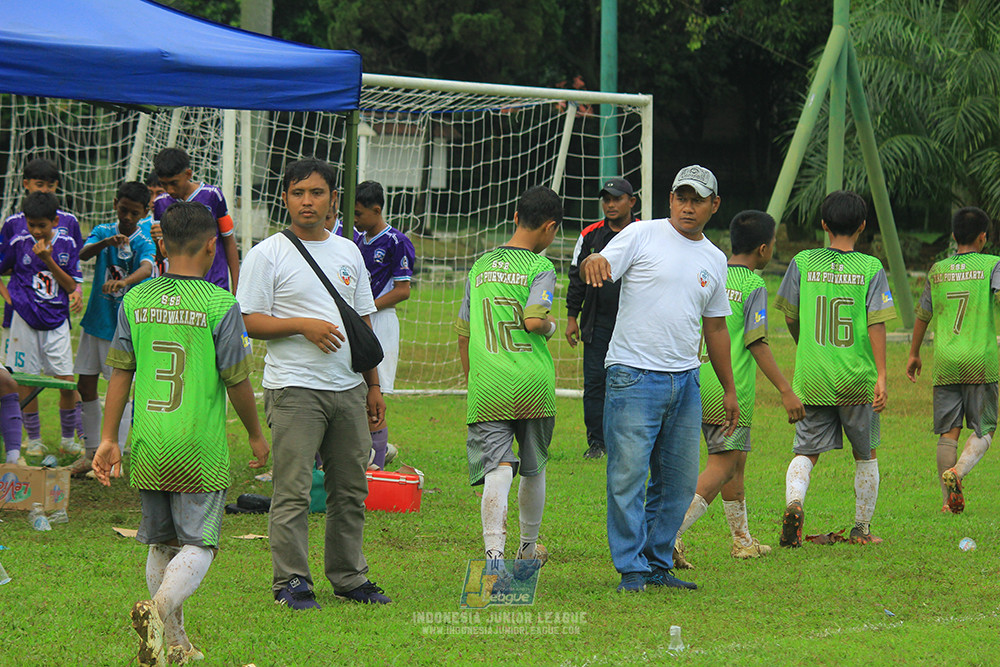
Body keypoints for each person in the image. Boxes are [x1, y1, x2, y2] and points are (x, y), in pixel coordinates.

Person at [92, 201, 269, 667]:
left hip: (147, 443)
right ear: (213, 246)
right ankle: (158, 610)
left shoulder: (136, 299)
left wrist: (109, 438)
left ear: (163, 245)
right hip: (198, 447)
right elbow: (237, 379)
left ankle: (175, 643)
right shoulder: (219, 304)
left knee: (161, 543)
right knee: (200, 543)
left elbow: (119, 374)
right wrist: (255, 433)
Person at [237, 158, 391, 608]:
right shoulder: (268, 254)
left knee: (351, 489)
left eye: (317, 193)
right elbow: (249, 320)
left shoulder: (347, 252)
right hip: (294, 389)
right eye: (299, 193)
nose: (308, 201)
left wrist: (373, 385)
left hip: (348, 389)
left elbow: (363, 322)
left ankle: (349, 577)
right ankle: (291, 583)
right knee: (294, 490)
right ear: (285, 198)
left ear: (332, 200)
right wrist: (302, 325)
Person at [580, 164, 737, 593]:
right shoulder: (641, 234)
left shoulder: (715, 258)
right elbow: (600, 262)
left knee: (679, 481)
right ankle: (631, 568)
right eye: (681, 198)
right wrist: (593, 260)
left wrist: (728, 388)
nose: (688, 207)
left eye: (697, 200)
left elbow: (717, 328)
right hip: (633, 375)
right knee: (628, 477)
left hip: (685, 381)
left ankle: (657, 562)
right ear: (670, 199)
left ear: (713, 205)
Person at [672, 210, 804, 568]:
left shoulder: (708, 273)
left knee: (736, 462)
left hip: (693, 379)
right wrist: (785, 389)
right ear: (764, 249)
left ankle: (742, 540)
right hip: (728, 389)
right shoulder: (753, 286)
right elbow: (757, 342)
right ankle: (669, 535)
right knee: (723, 463)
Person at [774, 190, 895, 547]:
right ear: (862, 226)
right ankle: (861, 529)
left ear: (823, 225)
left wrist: (805, 344)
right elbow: (876, 324)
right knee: (866, 453)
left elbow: (791, 316)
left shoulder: (803, 262)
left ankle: (794, 503)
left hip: (812, 376)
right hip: (856, 378)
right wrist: (883, 376)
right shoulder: (870, 268)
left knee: (805, 452)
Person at [456, 185, 562, 586]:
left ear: (516, 218)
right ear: (550, 228)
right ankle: (528, 550)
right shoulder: (541, 267)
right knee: (533, 468)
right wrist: (550, 326)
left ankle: (494, 561)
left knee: (498, 471)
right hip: (532, 381)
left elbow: (464, 333)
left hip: (489, 383)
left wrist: (474, 380)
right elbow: (535, 320)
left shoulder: (480, 266)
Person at [906, 206, 1000, 514]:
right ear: (983, 237)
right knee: (985, 428)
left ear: (953, 236)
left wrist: (914, 352)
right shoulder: (992, 265)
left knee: (949, 431)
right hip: (980, 360)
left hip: (945, 361)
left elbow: (923, 314)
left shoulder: (937, 270)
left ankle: (948, 504)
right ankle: (957, 472)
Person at [69, 182, 156, 477]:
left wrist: (125, 281)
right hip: (95, 321)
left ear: (145, 212)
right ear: (116, 203)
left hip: (119, 327)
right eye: (123, 210)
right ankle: (91, 452)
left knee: (118, 390)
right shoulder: (104, 232)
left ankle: (113, 455)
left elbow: (147, 268)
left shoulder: (144, 240)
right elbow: (81, 254)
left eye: (134, 212)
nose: (128, 217)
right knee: (85, 385)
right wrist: (105, 245)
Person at [0, 158, 84, 445]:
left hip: (57, 318)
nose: (36, 230)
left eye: (51, 185)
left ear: (55, 222)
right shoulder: (14, 231)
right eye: (39, 184)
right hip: (22, 319)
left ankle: (68, 439)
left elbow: (74, 278)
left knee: (64, 379)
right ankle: (32, 441)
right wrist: (9, 298)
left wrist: (76, 291)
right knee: (24, 379)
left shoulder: (69, 231)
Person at [566, 177, 637, 460]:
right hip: (597, 323)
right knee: (595, 383)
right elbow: (576, 278)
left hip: (634, 325)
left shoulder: (644, 233)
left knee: (631, 382)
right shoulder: (590, 235)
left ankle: (629, 440)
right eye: (606, 199)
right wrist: (572, 317)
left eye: (617, 198)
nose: (610, 204)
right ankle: (597, 443)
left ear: (631, 202)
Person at [353, 180, 416, 469]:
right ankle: (367, 452)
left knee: (374, 396)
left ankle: (376, 463)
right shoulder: (355, 241)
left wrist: (368, 306)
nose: (354, 220)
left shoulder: (396, 242)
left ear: (376, 210)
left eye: (358, 214)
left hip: (381, 321)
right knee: (354, 389)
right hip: (359, 320)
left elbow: (403, 290)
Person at [151, 148, 239, 293]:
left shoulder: (213, 196)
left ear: (188, 174)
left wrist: (237, 286)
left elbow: (229, 240)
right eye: (164, 185)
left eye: (174, 183)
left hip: (214, 284)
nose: (170, 190)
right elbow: (161, 256)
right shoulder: (161, 204)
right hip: (178, 290)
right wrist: (157, 240)